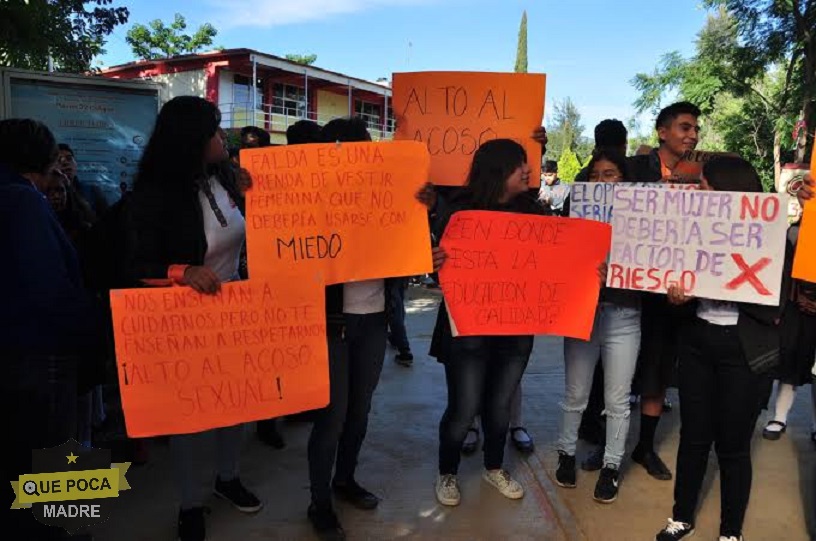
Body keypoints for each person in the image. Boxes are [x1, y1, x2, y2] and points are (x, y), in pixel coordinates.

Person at [129, 97, 262, 541]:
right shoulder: (154, 194)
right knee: (187, 416)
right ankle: (189, 502)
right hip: (182, 318)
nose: (222, 137)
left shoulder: (226, 177)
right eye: (214, 131)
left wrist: (252, 196)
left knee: (235, 403)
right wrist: (181, 272)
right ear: (191, 141)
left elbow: (254, 235)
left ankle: (228, 478)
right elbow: (134, 263)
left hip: (234, 309)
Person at [655, 156, 788, 541]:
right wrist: (678, 297)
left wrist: (725, 285)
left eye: (705, 186)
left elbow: (774, 305)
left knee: (733, 445)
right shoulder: (692, 233)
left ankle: (731, 531)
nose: (698, 193)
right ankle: (681, 516)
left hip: (744, 351)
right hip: (698, 343)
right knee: (693, 437)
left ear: (728, 191)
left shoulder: (772, 237)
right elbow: (675, 282)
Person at [431, 139, 543, 507]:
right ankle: (447, 473)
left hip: (515, 330)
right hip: (467, 331)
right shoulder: (457, 213)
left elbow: (560, 260)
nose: (527, 170)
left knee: (499, 407)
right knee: (463, 410)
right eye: (519, 165)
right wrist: (432, 259)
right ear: (498, 172)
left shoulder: (536, 213)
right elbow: (427, 261)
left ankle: (494, 467)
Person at [1, 119, 99, 541]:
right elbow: (50, 287)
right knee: (52, 454)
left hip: (14, 349)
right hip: (40, 353)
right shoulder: (23, 201)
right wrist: (89, 331)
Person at [306, 117, 392, 541]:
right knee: (332, 418)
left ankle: (345, 479)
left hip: (374, 319)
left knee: (359, 414)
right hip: (330, 322)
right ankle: (319, 502)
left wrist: (423, 206)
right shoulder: (308, 201)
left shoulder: (388, 195)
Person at [555, 149, 641, 504]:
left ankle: (611, 466)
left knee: (618, 400)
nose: (603, 181)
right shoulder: (575, 217)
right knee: (576, 393)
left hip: (625, 315)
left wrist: (621, 269)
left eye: (611, 175)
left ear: (625, 180)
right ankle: (566, 453)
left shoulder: (643, 220)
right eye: (595, 176)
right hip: (582, 313)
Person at [626, 101, 702, 482]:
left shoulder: (703, 173)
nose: (691, 135)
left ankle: (644, 447)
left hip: (673, 294)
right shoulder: (634, 168)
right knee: (614, 371)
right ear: (662, 131)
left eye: (694, 130)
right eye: (684, 127)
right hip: (627, 292)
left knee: (657, 369)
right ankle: (605, 449)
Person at [763, 219, 816, 441]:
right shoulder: (795, 231)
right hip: (797, 307)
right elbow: (786, 271)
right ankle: (780, 416)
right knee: (790, 360)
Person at [57, 143, 104, 218]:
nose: (65, 163)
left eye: (69, 158)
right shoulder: (47, 194)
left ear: (75, 164)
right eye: (59, 160)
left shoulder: (93, 192)